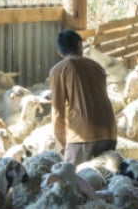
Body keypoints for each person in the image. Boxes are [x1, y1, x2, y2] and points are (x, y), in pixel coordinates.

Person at [48, 29, 118, 165]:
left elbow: (58, 111)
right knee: (106, 180)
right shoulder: (97, 67)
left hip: (82, 135)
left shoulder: (59, 69)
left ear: (59, 52)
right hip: (109, 130)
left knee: (74, 179)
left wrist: (62, 145)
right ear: (80, 46)